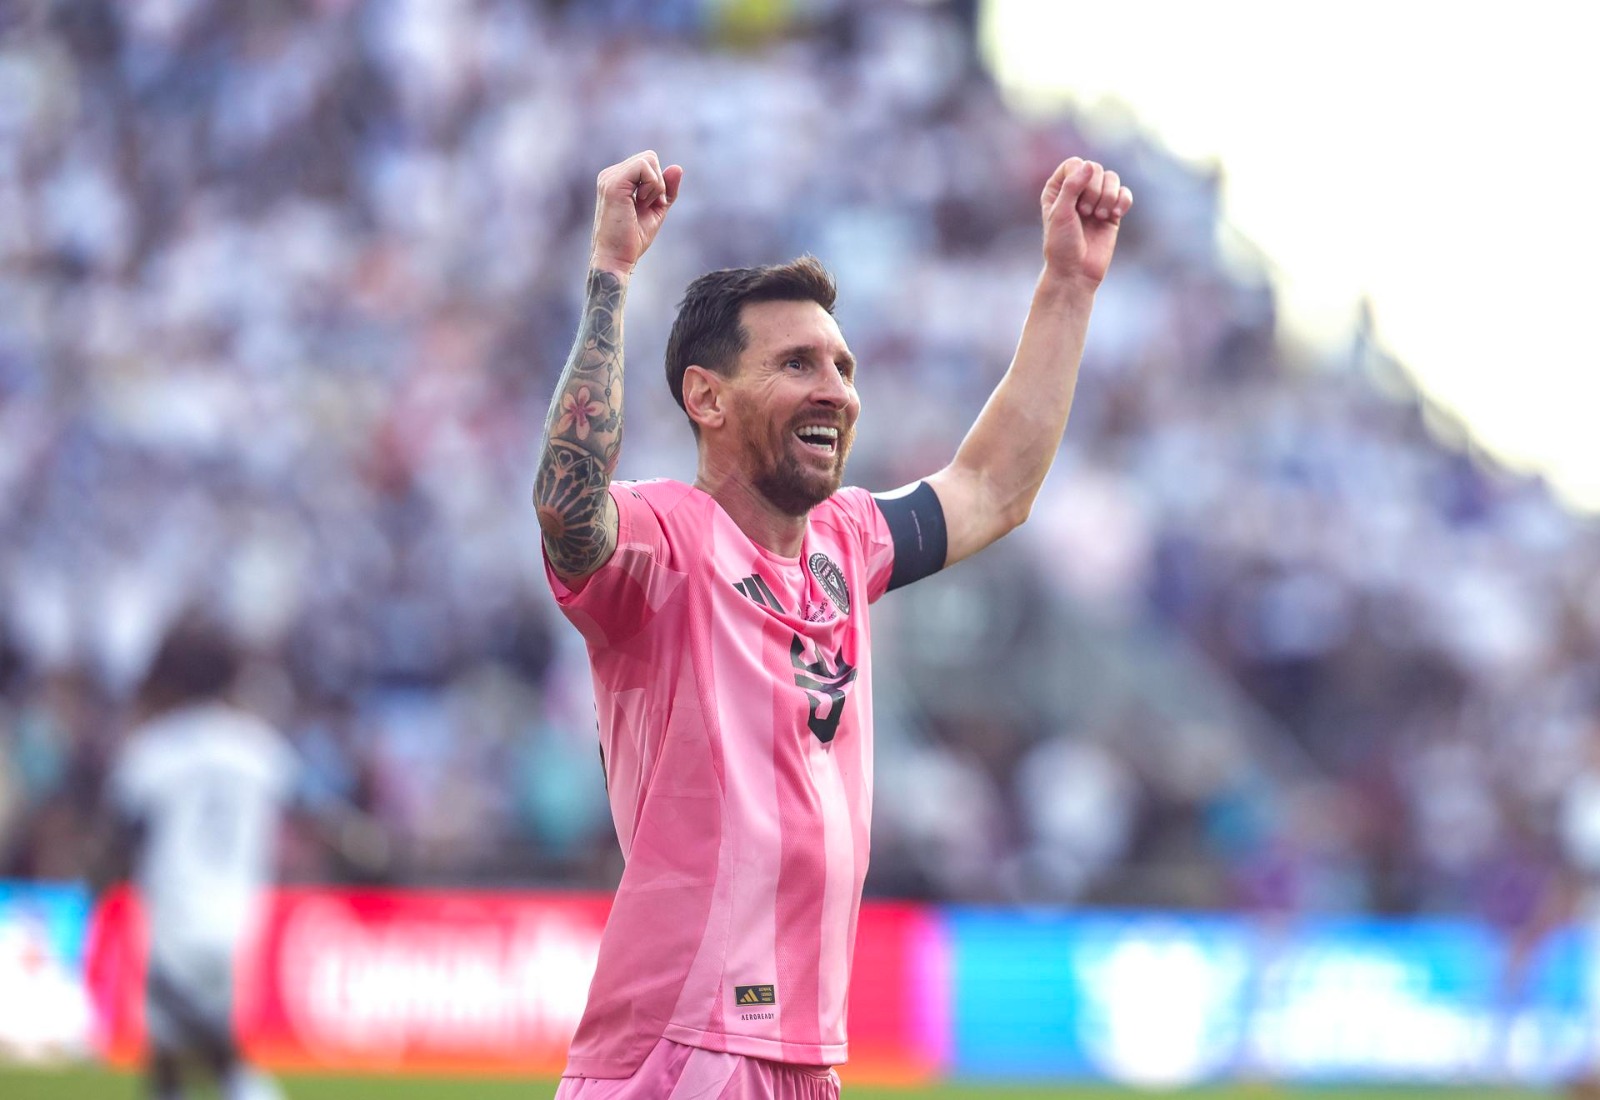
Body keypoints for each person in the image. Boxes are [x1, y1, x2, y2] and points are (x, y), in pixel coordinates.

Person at [535, 149, 1131, 1098]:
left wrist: (1068, 283)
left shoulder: (847, 543)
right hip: (683, 1044)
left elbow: (992, 487)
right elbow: (568, 507)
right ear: (707, 397)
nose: (838, 390)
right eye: (798, 364)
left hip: (806, 1058)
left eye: (843, 367)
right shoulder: (661, 540)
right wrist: (610, 275)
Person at [96, 618, 298, 1100]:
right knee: (179, 1039)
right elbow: (297, 813)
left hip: (176, 910)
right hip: (240, 913)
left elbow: (123, 830)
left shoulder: (155, 748)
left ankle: (245, 1084)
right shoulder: (260, 747)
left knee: (183, 1042)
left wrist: (101, 883)